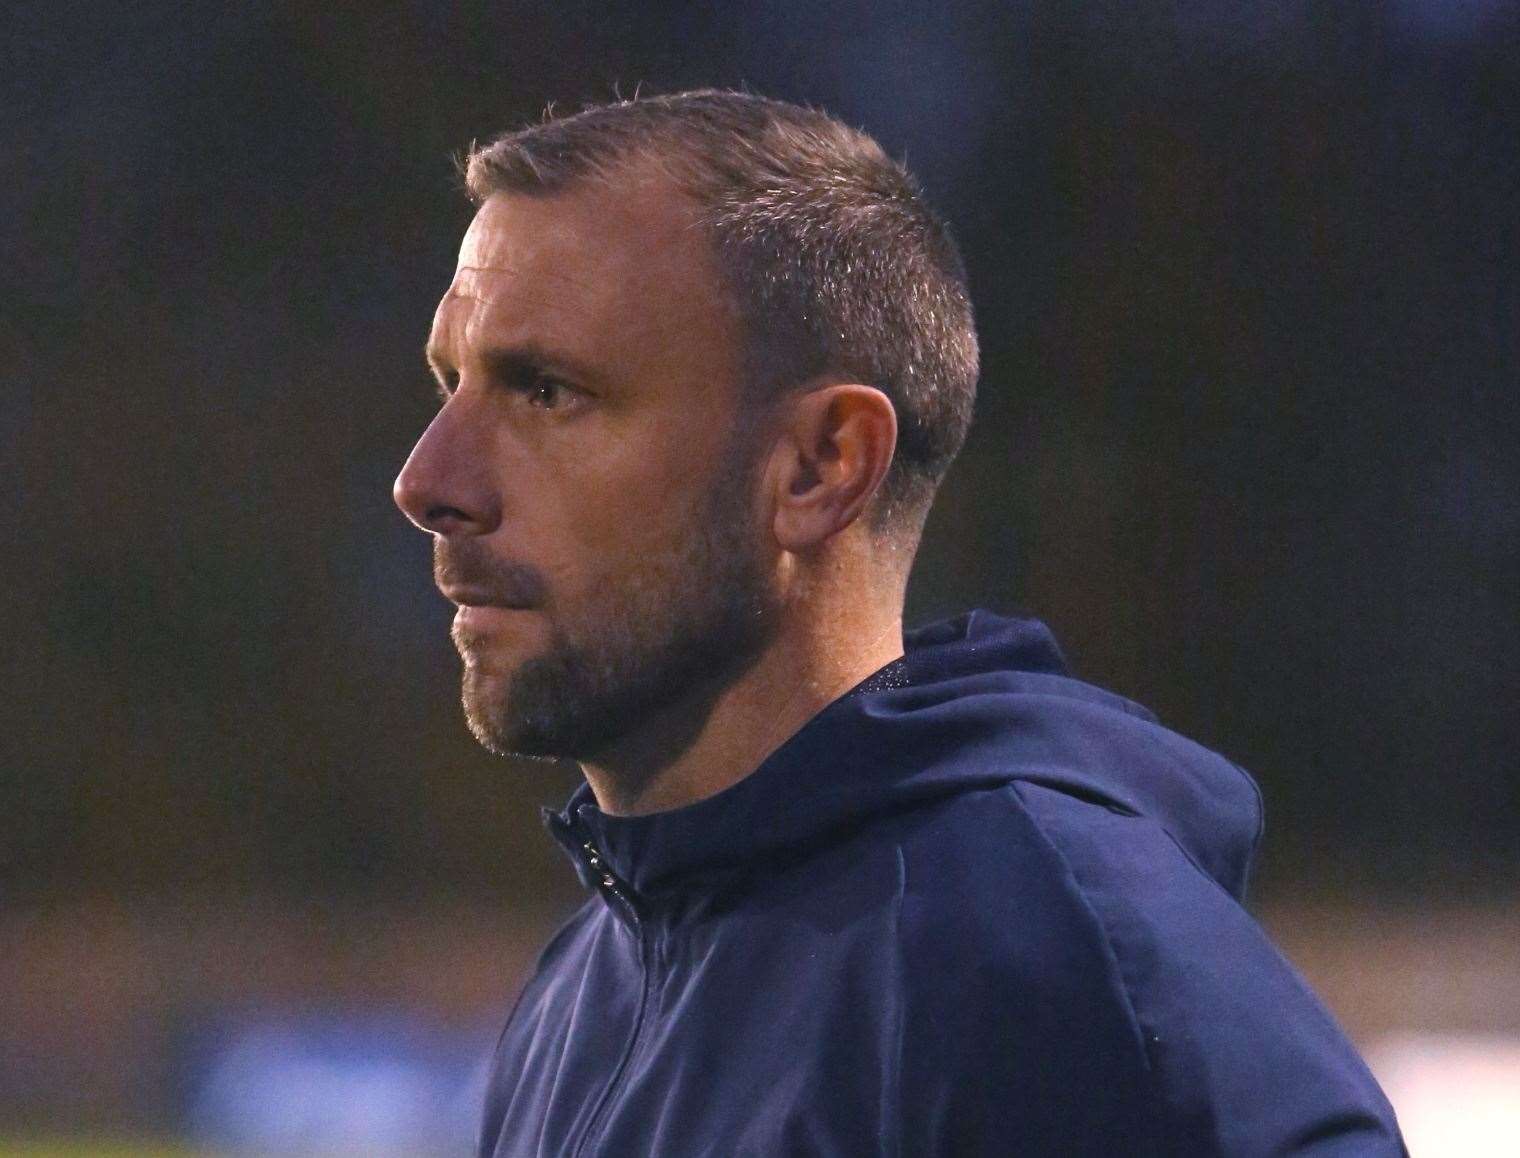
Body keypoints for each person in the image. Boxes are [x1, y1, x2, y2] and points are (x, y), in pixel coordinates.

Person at [393, 90, 1405, 1156]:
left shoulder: (1053, 969)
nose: (428, 480)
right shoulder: (579, 993)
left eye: (545, 391)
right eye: (449, 384)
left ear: (821, 467)